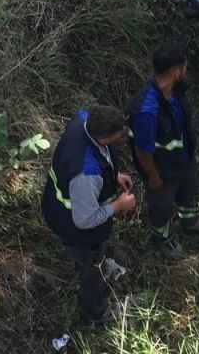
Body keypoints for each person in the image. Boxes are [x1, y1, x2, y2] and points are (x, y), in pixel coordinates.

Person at [42, 106, 137, 326]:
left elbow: (99, 155)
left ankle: (98, 264)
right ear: (103, 138)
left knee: (95, 256)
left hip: (66, 206)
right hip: (75, 228)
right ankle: (97, 313)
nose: (120, 137)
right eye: (117, 135)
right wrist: (118, 206)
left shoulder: (83, 120)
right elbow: (84, 220)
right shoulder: (86, 175)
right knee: (89, 269)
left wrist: (114, 175)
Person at [130, 42, 199, 261]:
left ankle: (191, 221)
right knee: (161, 205)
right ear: (177, 71)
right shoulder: (147, 110)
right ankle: (162, 238)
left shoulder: (176, 90)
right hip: (162, 169)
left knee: (189, 191)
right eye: (185, 67)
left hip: (183, 158)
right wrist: (153, 176)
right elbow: (142, 150)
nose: (186, 70)